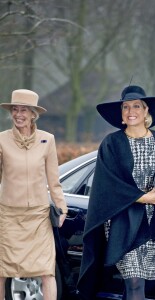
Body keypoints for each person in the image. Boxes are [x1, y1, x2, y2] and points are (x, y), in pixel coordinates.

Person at [77, 85, 155, 300]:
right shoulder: (112, 143)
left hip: (154, 221)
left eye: (137, 106)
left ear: (146, 111)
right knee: (134, 280)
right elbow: (107, 184)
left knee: (139, 285)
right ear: (121, 114)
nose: (131, 111)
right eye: (126, 107)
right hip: (123, 221)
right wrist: (142, 197)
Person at [0, 89, 68, 300]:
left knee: (47, 272)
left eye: (24, 110)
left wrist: (61, 206)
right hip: (8, 215)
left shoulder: (47, 140)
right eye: (15, 110)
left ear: (33, 114)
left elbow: (53, 180)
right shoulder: (1, 140)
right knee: (2, 271)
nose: (18, 114)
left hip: (39, 217)